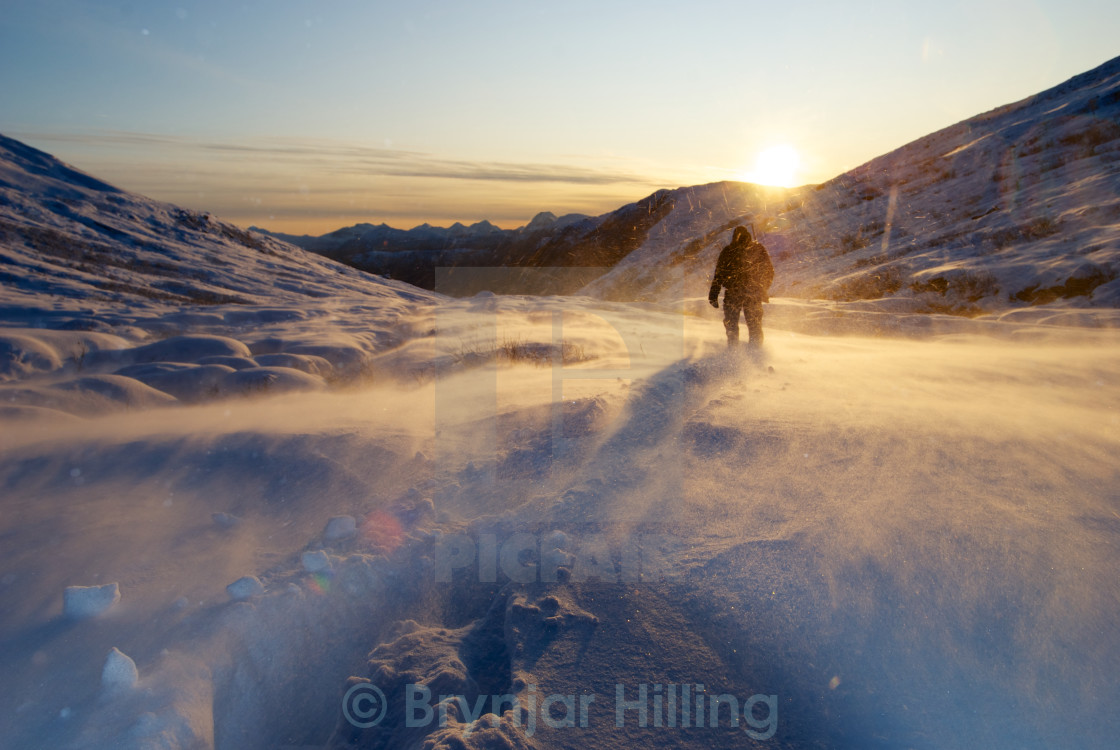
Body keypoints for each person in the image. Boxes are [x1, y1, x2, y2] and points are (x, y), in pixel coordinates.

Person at [708, 225, 774, 349]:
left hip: (734, 293)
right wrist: (762, 288)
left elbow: (719, 275)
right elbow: (769, 271)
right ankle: (756, 351)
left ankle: (733, 351)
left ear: (734, 237)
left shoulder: (728, 251)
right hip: (752, 293)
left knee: (731, 324)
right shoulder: (757, 249)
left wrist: (713, 294)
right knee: (754, 325)